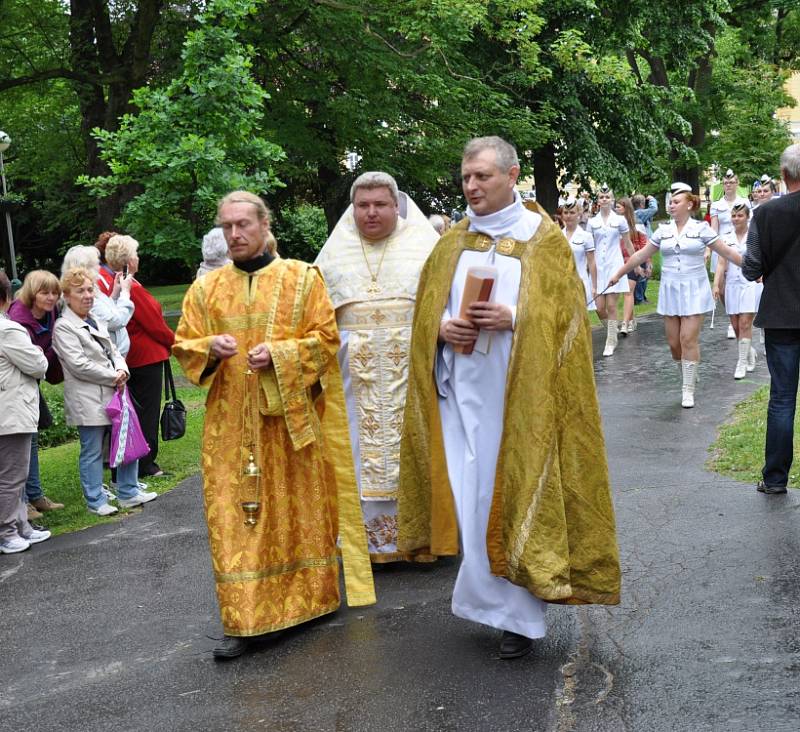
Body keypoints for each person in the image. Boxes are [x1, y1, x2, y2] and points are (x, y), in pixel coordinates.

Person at [398, 137, 621, 661]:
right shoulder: (452, 242)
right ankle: (485, 604)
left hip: (524, 402)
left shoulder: (543, 240)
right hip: (461, 397)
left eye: (482, 177)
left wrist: (515, 318)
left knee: (520, 496)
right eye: (466, 179)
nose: (471, 187)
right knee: (473, 501)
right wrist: (442, 331)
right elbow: (425, 316)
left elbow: (569, 322)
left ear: (513, 174)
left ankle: (519, 618)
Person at [173, 191, 375, 660]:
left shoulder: (302, 278)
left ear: (265, 225)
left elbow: (327, 341)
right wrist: (209, 347)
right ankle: (244, 618)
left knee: (296, 511)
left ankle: (310, 601)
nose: (235, 234)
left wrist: (281, 354)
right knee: (234, 515)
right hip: (228, 425)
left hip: (291, 425)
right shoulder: (205, 289)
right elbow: (184, 345)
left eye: (243, 224)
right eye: (227, 226)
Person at [315, 172, 438, 562]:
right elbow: (314, 320)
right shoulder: (333, 254)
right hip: (353, 381)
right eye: (362, 206)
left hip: (413, 373)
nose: (371, 213)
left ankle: (420, 540)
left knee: (417, 451)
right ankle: (362, 544)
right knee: (353, 454)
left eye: (380, 205)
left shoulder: (425, 246)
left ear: (395, 206)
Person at [610, 183, 743, 408]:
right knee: (674, 344)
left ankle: (688, 389)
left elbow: (728, 252)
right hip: (670, 290)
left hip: (694, 289)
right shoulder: (663, 231)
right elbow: (640, 255)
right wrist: (618, 274)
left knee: (687, 339)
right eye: (670, 202)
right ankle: (688, 371)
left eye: (676, 201)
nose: (671, 205)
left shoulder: (702, 229)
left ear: (689, 204)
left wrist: (756, 268)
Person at [53, 268, 157, 516]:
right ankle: (96, 500)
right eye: (81, 291)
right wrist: (114, 375)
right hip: (88, 397)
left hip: (114, 391)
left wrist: (122, 369)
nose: (88, 295)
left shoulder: (95, 319)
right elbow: (79, 365)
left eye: (90, 290)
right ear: (67, 296)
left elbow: (115, 351)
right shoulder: (63, 327)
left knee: (126, 438)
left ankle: (128, 491)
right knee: (93, 449)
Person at [741, 143, 800, 495]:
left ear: (783, 175)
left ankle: (775, 478)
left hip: (781, 314)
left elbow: (751, 268)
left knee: (782, 398)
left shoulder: (765, 214)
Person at [97, 235, 175, 478]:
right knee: (146, 413)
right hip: (144, 357)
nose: (139, 257)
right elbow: (154, 324)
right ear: (128, 260)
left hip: (135, 357)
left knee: (136, 411)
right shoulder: (132, 288)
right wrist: (175, 343)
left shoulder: (116, 283)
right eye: (136, 253)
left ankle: (135, 462)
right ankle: (145, 463)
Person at [0, 271, 52, 554]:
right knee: (11, 477)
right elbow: (39, 364)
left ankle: (21, 526)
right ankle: (7, 533)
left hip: (8, 411)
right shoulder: (8, 330)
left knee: (13, 476)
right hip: (11, 412)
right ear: (7, 296)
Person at [7, 270, 65, 520]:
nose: (51, 297)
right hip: (15, 388)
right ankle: (23, 503)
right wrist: (52, 349)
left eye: (54, 292)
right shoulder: (18, 320)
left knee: (31, 439)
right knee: (18, 448)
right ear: (32, 293)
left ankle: (35, 495)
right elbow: (33, 363)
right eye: (45, 292)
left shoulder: (50, 312)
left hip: (32, 385)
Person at [712, 203, 761, 379]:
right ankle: (749, 351)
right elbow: (721, 263)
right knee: (735, 325)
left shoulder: (755, 236)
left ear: (747, 217)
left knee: (745, 323)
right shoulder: (725, 238)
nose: (736, 219)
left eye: (740, 215)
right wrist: (716, 284)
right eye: (733, 216)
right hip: (732, 284)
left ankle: (741, 363)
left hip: (750, 283)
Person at [62, 246, 135, 357]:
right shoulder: (84, 297)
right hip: (107, 361)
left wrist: (115, 293)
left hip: (113, 359)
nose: (99, 267)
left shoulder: (90, 289)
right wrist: (125, 292)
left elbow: (105, 313)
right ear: (86, 267)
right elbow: (115, 321)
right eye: (96, 264)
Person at [588, 185, 634, 356]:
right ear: (598, 200)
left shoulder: (620, 220)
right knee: (599, 307)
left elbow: (628, 243)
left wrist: (635, 263)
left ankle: (610, 341)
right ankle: (612, 331)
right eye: (601, 197)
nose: (604, 199)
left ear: (612, 199)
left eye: (607, 197)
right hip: (599, 267)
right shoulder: (592, 222)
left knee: (612, 305)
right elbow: (589, 247)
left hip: (615, 265)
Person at [710, 169, 750, 339]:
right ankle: (731, 315)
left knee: (739, 282)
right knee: (722, 287)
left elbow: (750, 223)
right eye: (726, 183)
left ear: (737, 183)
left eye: (732, 182)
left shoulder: (743, 201)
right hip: (722, 247)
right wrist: (708, 249)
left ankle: (739, 318)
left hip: (740, 246)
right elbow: (713, 230)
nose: (728, 185)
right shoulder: (716, 205)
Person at [615, 197, 648, 334]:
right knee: (626, 292)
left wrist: (646, 263)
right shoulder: (614, 223)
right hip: (619, 261)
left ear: (626, 208)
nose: (616, 209)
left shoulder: (637, 223)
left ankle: (625, 323)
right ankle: (631, 319)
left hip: (634, 259)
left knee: (628, 290)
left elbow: (645, 244)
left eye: (619, 207)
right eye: (615, 207)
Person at [561, 198, 597, 311]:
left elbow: (591, 262)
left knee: (608, 307)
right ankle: (611, 327)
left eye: (572, 212)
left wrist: (594, 286)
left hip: (580, 281)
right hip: (562, 283)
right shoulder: (557, 235)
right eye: (566, 213)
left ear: (579, 214)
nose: (568, 216)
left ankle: (612, 328)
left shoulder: (586, 236)